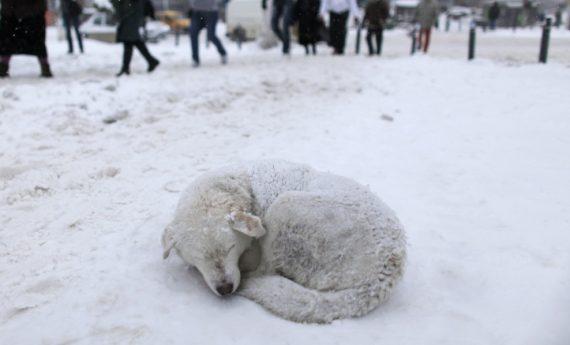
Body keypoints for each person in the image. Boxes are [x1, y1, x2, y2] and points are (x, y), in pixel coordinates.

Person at [0, 0, 53, 78]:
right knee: (37, 42)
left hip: (17, 14)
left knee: (8, 42)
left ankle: (3, 66)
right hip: (27, 14)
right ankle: (45, 66)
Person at [112, 0, 160, 76]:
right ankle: (151, 61)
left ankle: (126, 68)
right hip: (131, 16)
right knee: (132, 42)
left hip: (132, 16)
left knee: (130, 42)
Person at [189, 0, 228, 66]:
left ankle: (223, 53)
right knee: (193, 33)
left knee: (211, 35)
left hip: (211, 13)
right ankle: (195, 59)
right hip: (197, 13)